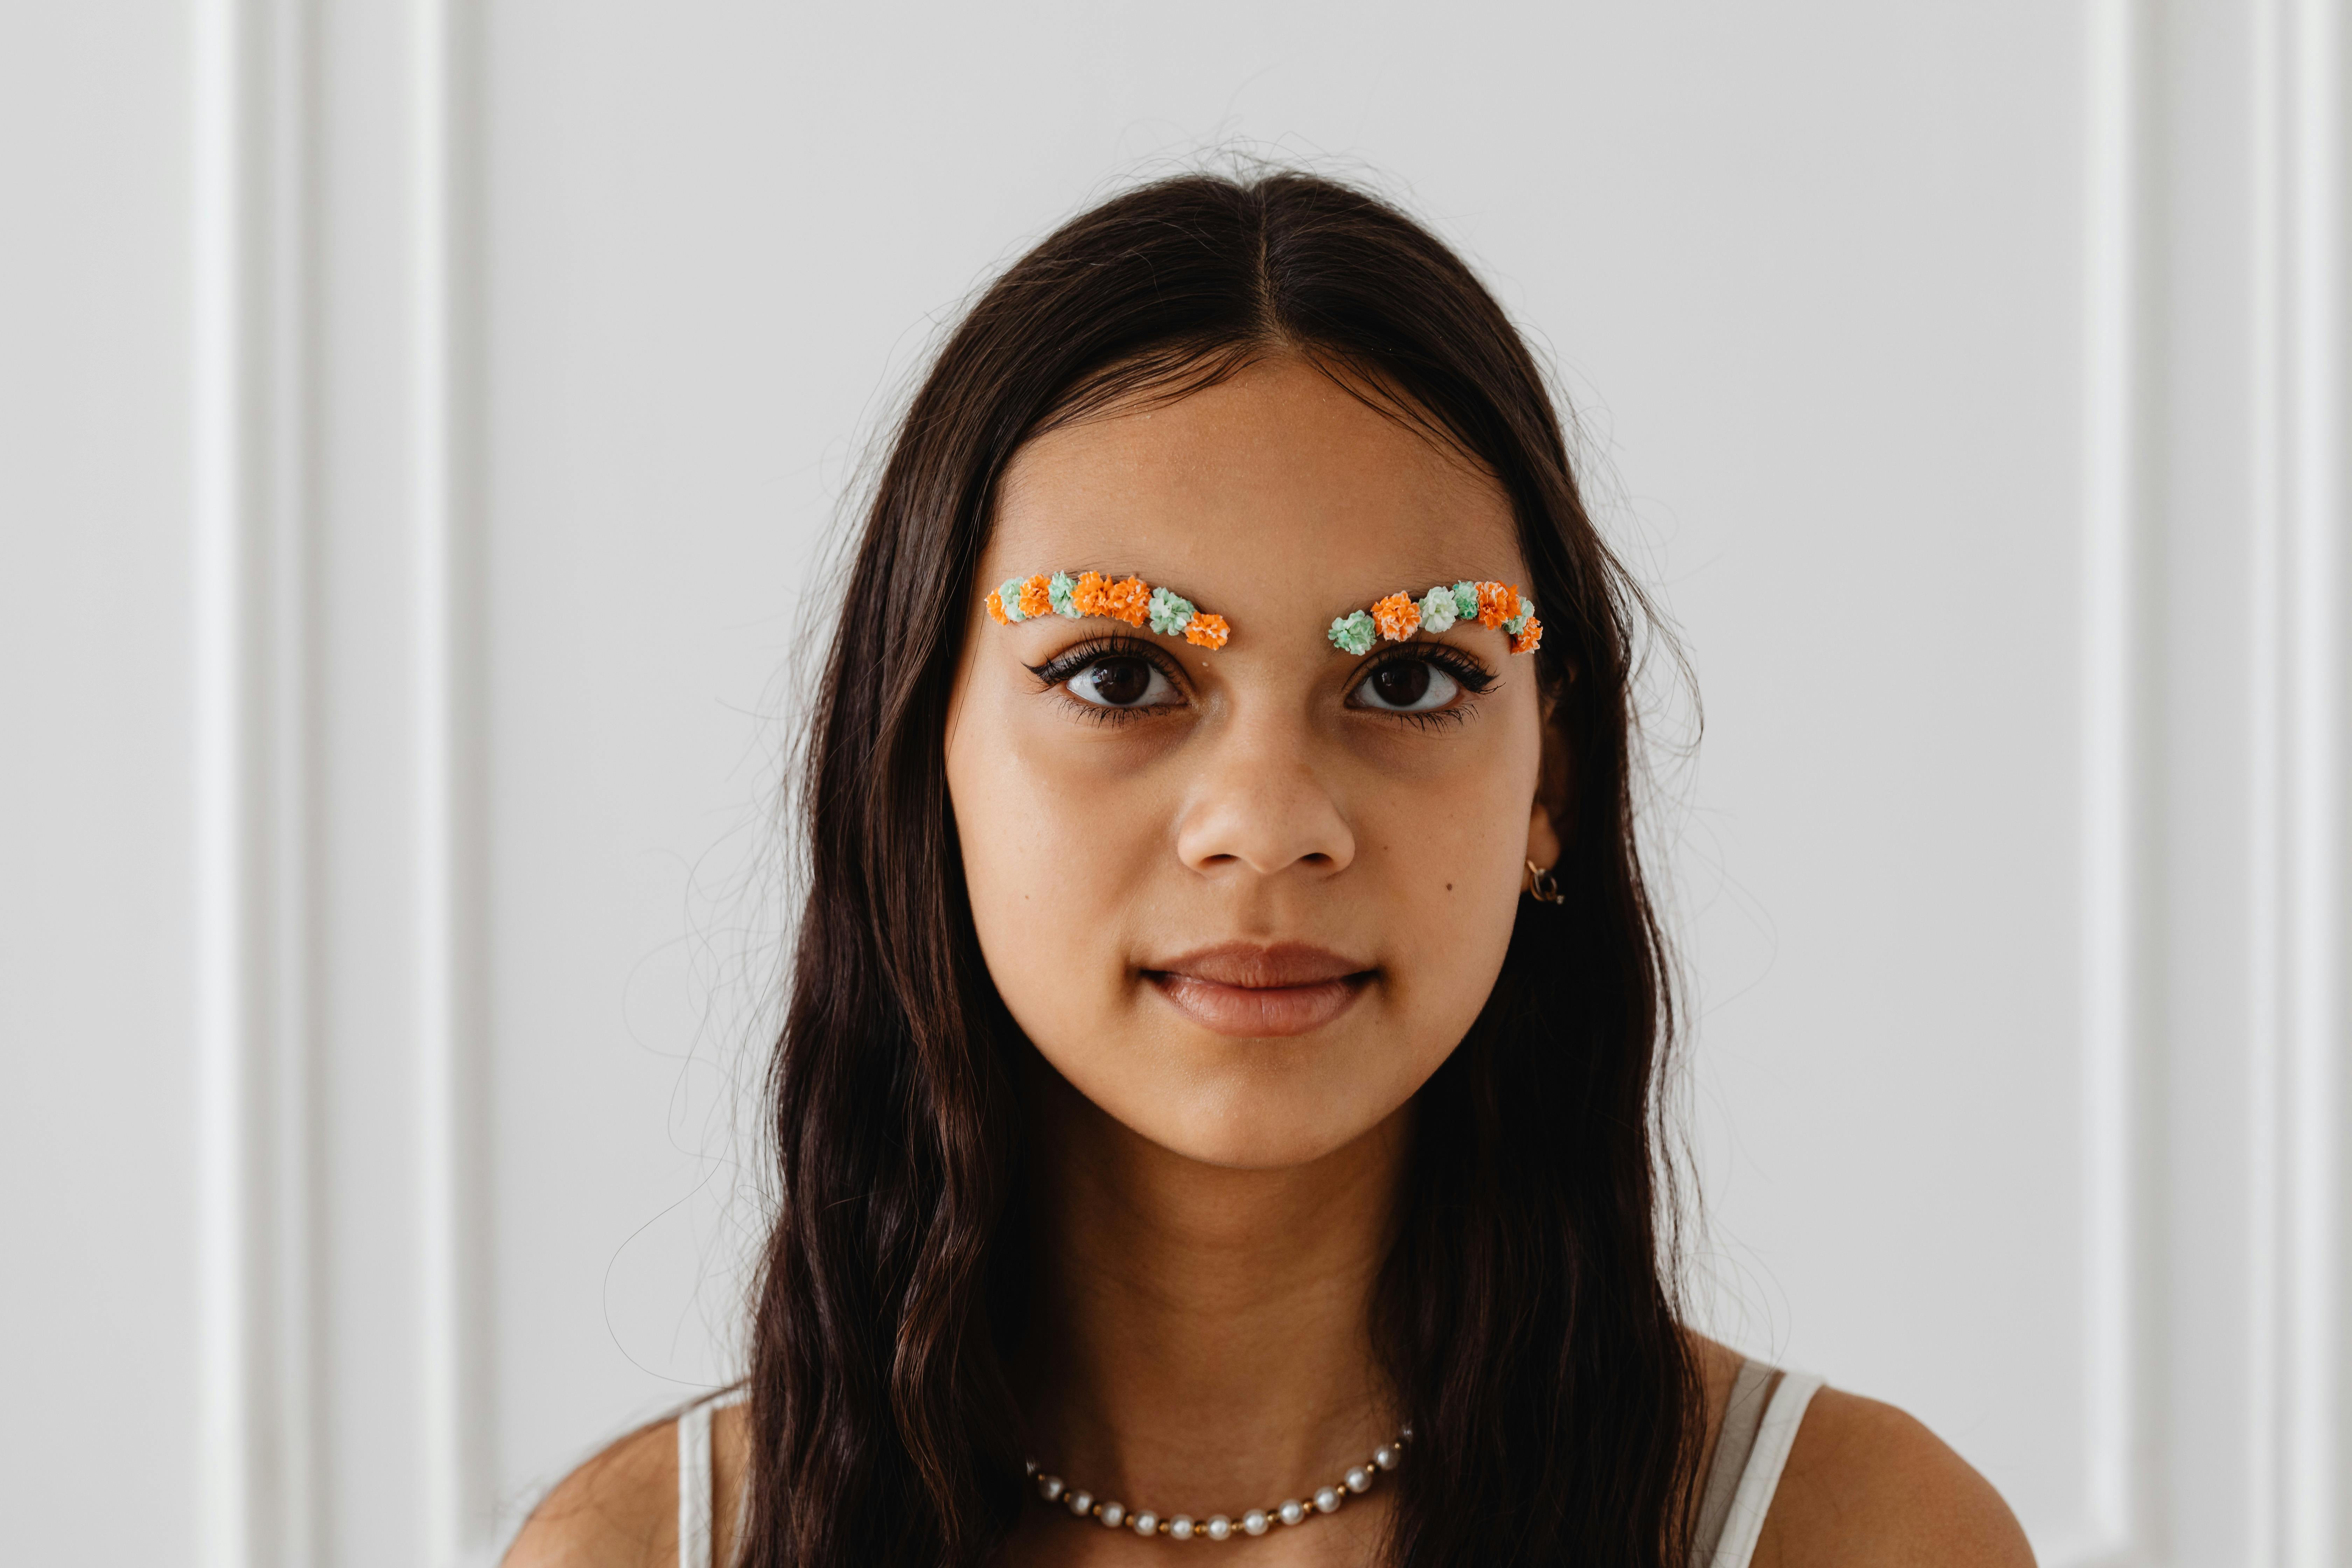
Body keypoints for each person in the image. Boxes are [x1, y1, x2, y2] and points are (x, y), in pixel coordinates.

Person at [507, 170, 2034, 1568]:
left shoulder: (1860, 1537)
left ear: (1548, 783)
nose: (1268, 820)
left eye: (1414, 676)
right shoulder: (645, 1549)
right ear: (924, 756)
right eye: (1118, 674)